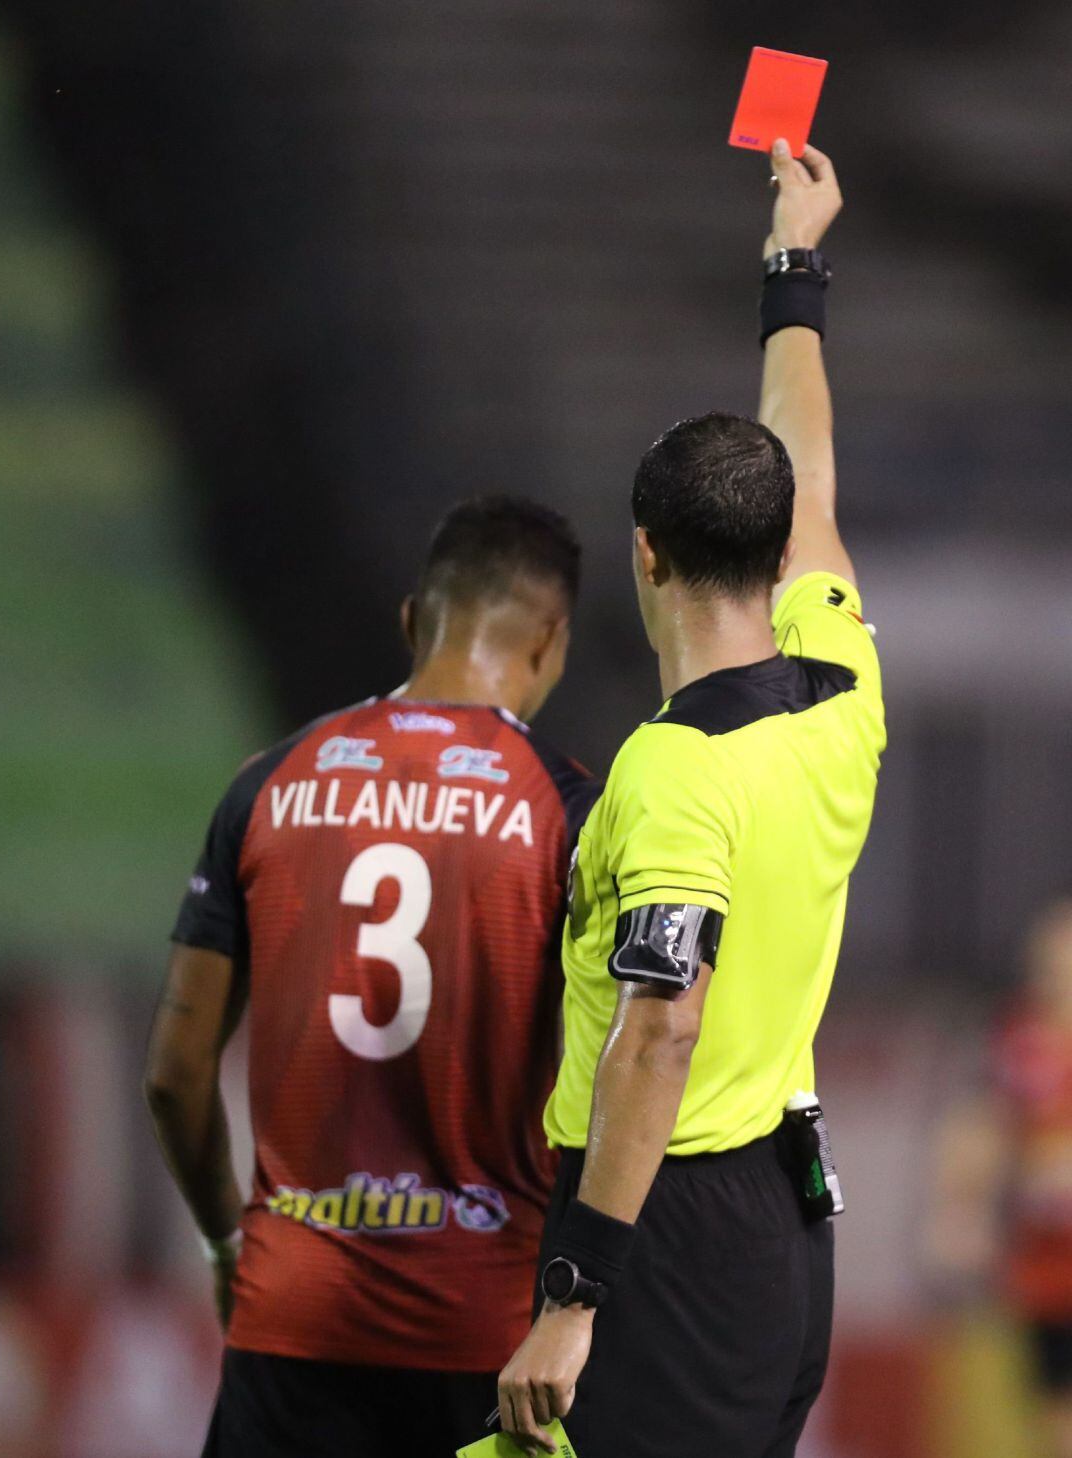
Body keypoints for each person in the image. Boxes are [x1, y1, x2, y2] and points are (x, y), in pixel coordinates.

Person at [498, 139, 886, 1458]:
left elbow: (662, 1032)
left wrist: (572, 1293)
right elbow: (812, 466)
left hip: (662, 1241)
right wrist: (796, 264)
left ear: (645, 554)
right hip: (782, 1231)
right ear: (784, 552)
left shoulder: (673, 773)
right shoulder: (844, 674)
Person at [144, 497, 601, 1458]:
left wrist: (229, 1246)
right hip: (482, 1333)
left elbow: (175, 1075)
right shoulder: (567, 809)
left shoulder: (270, 780)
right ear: (553, 638)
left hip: (293, 1322)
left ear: (411, 619)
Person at [927, 898, 1072, 1458]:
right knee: (1052, 1408)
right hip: (1047, 1267)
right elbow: (980, 1129)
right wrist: (958, 1211)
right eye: (1049, 967)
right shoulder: (1025, 1043)